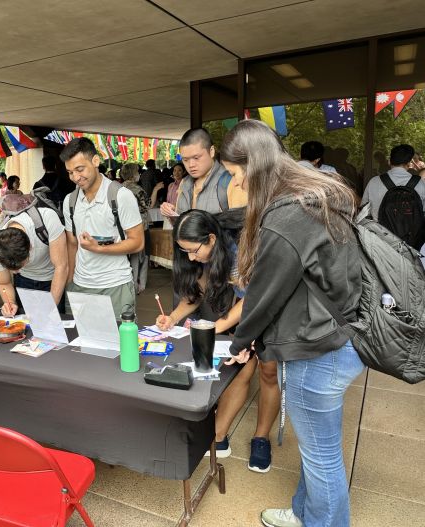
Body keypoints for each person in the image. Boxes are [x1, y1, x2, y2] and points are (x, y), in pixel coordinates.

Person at [221, 120, 363, 527]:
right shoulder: (317, 193)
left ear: (253, 164)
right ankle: (305, 513)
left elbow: (264, 295)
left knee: (322, 458)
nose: (239, 184)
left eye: (235, 173)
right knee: (319, 448)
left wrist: (240, 342)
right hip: (339, 338)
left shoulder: (287, 215)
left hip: (317, 350)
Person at [155, 209, 279, 473]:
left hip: (268, 305)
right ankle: (218, 435)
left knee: (268, 372)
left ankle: (261, 437)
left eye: (193, 250)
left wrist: (217, 326)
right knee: (238, 368)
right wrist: (173, 317)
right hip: (238, 307)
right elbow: (198, 291)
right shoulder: (205, 252)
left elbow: (253, 298)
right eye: (184, 251)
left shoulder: (241, 251)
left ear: (211, 239)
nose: (190, 257)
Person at [61, 138, 143, 319]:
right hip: (80, 286)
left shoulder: (120, 196)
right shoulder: (70, 201)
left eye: (80, 169)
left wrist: (98, 248)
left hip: (115, 285)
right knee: (79, 345)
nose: (76, 177)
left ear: (96, 161)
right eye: (70, 172)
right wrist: (70, 283)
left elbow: (137, 243)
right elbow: (72, 245)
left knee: (120, 344)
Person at [0, 193, 68, 314]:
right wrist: (10, 303)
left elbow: (61, 267)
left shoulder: (47, 219)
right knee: (27, 323)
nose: (14, 272)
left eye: (20, 266)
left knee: (53, 322)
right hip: (24, 281)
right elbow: (4, 282)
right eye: (11, 269)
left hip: (53, 278)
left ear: (30, 247)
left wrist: (50, 308)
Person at [160, 128, 233, 220]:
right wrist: (171, 213)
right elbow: (180, 228)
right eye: (185, 160)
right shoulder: (184, 183)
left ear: (211, 151)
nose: (191, 165)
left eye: (196, 158)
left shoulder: (231, 181)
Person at [362, 143, 425, 220]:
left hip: (378, 230)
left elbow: (363, 209)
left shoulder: (374, 182)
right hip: (412, 231)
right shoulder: (420, 183)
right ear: (408, 163)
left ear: (389, 162)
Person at [119, 163, 150, 294]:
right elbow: (147, 206)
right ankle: (139, 284)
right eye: (138, 171)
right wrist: (155, 191)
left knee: (128, 256)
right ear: (133, 174)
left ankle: (129, 284)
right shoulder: (138, 190)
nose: (139, 174)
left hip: (123, 227)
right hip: (140, 226)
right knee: (141, 256)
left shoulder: (119, 188)